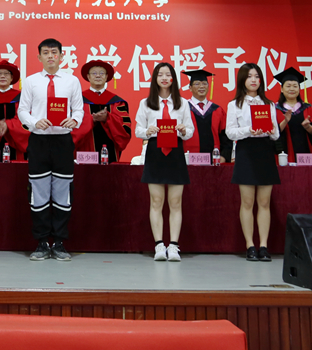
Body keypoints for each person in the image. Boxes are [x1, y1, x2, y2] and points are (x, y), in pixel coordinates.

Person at [17, 38, 84, 261]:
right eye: (45, 53)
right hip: (39, 141)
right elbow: (22, 111)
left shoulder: (72, 81)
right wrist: (34, 122)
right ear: (39, 57)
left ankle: (60, 242)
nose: (50, 56)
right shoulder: (31, 81)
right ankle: (42, 242)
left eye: (54, 52)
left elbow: (79, 110)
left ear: (61, 56)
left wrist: (74, 120)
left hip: (63, 142)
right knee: (39, 193)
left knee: (63, 194)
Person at [135, 62, 194, 261]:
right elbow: (138, 130)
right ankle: (159, 245)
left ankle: (174, 246)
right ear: (155, 78)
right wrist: (148, 131)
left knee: (175, 201)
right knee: (156, 200)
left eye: (168, 74)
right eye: (160, 75)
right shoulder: (146, 103)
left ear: (173, 79)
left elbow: (190, 131)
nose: (164, 78)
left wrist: (184, 130)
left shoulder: (182, 103)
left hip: (175, 152)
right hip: (155, 152)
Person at [226, 62, 281, 262]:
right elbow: (230, 132)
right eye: (249, 76)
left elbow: (276, 135)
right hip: (246, 151)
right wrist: (249, 130)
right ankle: (250, 245)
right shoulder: (235, 104)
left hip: (265, 151)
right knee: (247, 202)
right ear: (242, 79)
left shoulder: (269, 104)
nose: (254, 80)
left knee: (264, 202)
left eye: (257, 76)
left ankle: (263, 246)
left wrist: (271, 130)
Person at [75, 60, 131, 162]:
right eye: (94, 73)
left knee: (109, 172)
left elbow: (124, 130)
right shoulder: (78, 99)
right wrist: (91, 119)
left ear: (106, 77)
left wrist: (108, 118)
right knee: (86, 172)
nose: (98, 76)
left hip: (110, 151)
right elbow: (72, 125)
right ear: (88, 77)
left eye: (101, 73)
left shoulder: (117, 102)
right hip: (86, 151)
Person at [273, 67, 312, 158]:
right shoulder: (275, 109)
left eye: (295, 86)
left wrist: (308, 127)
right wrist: (285, 121)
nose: (292, 89)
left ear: (299, 88)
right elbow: (273, 133)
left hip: (307, 154)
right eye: (288, 86)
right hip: (285, 154)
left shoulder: (307, 108)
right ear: (282, 89)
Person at [182, 69, 227, 159]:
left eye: (204, 83)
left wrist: (224, 155)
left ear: (208, 86)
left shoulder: (217, 110)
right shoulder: (183, 108)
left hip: (214, 158)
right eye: (197, 84)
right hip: (189, 158)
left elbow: (225, 136)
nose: (201, 86)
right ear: (190, 88)